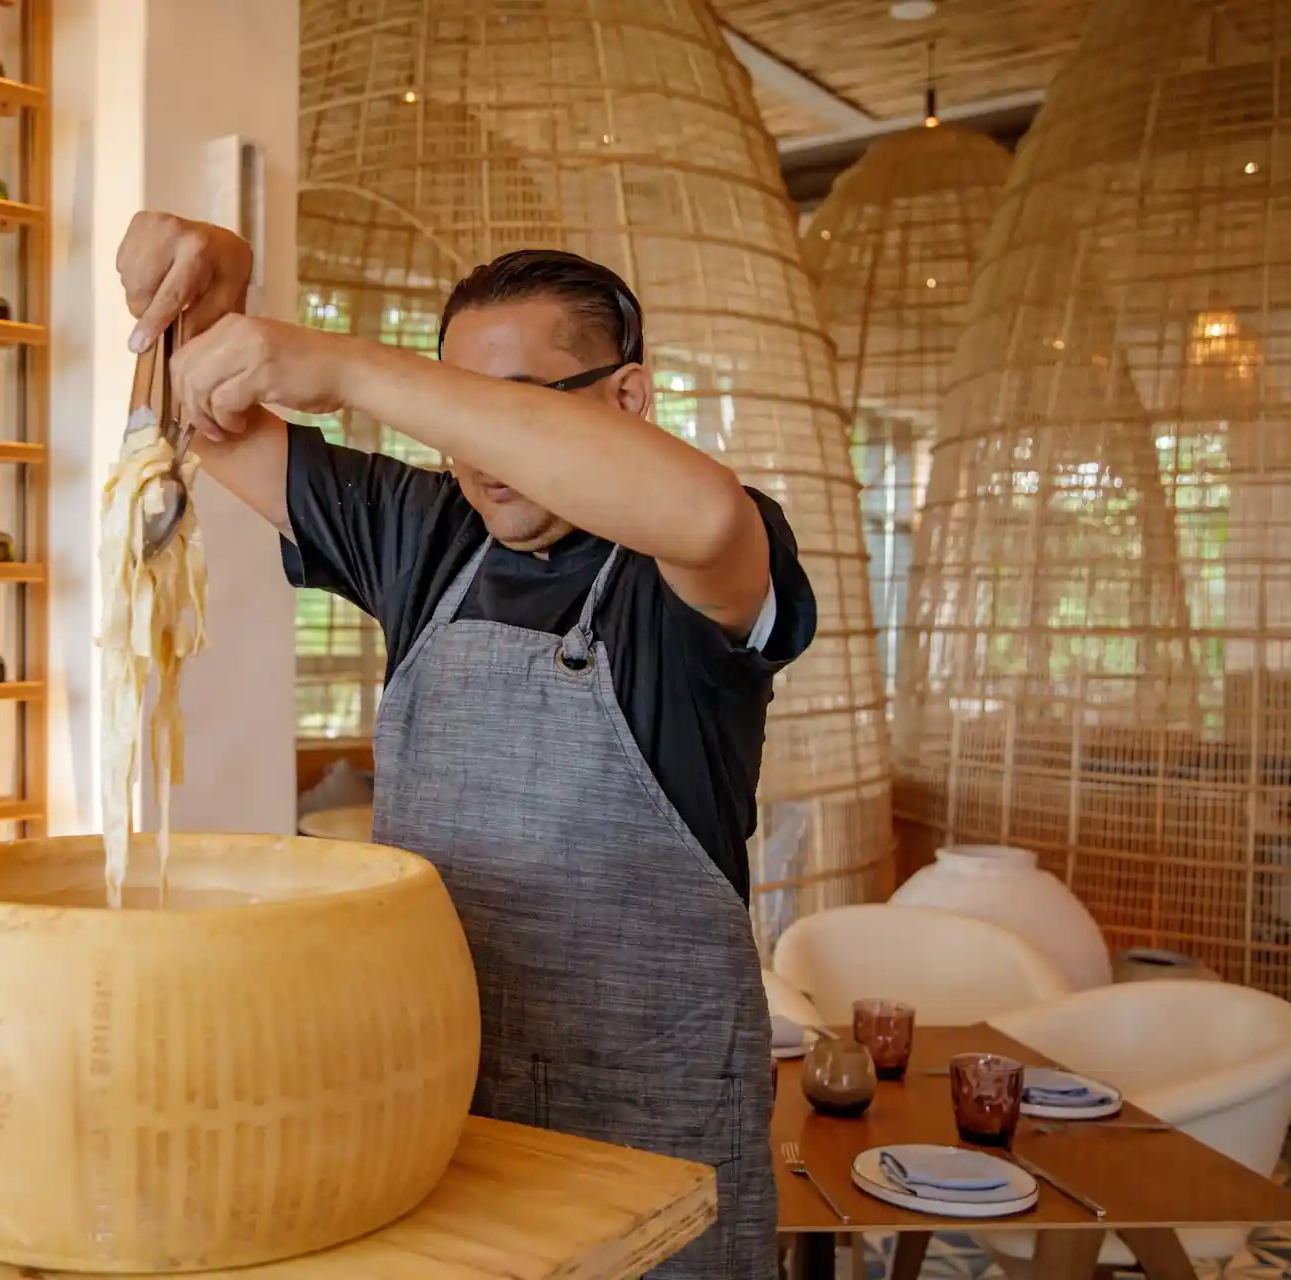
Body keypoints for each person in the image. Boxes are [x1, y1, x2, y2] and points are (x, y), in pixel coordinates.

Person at [116, 211, 816, 1277]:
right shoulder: (430, 534)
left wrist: (343, 362)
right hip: (437, 1121)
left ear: (628, 396)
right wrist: (208, 298)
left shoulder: (684, 565)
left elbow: (707, 517)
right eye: (462, 410)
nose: (478, 456)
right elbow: (197, 420)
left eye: (509, 409)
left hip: (653, 1144)